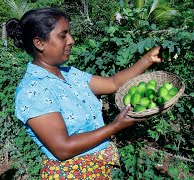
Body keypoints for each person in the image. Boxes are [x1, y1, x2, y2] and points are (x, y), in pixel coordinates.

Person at [6, 7, 162, 179]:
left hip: (99, 170)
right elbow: (62, 149)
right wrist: (114, 126)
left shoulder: (70, 74)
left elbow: (113, 83)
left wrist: (148, 59)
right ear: (39, 43)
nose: (71, 40)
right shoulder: (33, 90)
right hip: (72, 174)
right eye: (63, 35)